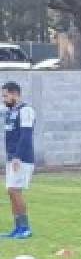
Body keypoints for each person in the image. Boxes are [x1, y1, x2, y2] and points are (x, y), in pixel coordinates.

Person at [2, 82, 35, 239]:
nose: (3, 99)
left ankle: (25, 228)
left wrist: (17, 156)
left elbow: (26, 135)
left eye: (6, 95)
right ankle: (17, 228)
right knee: (11, 191)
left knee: (15, 190)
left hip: (21, 159)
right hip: (12, 158)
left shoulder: (26, 110)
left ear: (15, 94)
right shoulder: (10, 112)